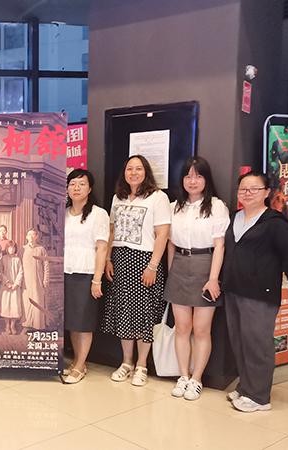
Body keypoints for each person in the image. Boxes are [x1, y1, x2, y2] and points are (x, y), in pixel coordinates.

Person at [223, 171, 288, 412]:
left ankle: (259, 397)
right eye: (243, 189)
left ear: (266, 192)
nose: (247, 193)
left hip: (260, 293)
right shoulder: (234, 217)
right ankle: (246, 387)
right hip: (233, 289)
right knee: (239, 341)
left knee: (257, 344)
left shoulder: (276, 223)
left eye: (254, 189)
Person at [103, 154, 170, 387]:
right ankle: (126, 362)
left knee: (143, 314)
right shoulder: (118, 197)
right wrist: (108, 258)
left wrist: (153, 266)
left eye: (138, 168)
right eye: (129, 169)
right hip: (120, 259)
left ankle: (142, 364)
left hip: (144, 260)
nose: (133, 173)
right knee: (124, 311)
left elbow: (162, 234)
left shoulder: (158, 197)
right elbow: (112, 231)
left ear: (146, 172)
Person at [165, 157, 229, 400]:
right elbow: (171, 244)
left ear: (206, 179)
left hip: (205, 265)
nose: (192, 181)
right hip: (180, 266)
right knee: (182, 327)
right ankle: (183, 376)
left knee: (202, 329)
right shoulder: (174, 207)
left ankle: (196, 379)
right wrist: (171, 273)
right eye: (188, 176)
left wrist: (213, 279)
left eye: (198, 176)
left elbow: (220, 245)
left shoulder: (216, 206)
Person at [63, 169, 109, 384]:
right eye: (72, 183)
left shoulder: (98, 214)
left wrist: (97, 280)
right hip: (65, 271)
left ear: (90, 189)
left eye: (81, 184)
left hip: (86, 273)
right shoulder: (63, 212)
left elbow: (102, 248)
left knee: (84, 322)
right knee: (72, 321)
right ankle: (76, 361)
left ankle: (81, 365)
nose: (76, 188)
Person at [22, 229, 50, 331]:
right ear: (26, 237)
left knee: (38, 301)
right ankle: (27, 325)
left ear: (36, 236)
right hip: (25, 281)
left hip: (38, 281)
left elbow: (46, 265)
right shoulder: (22, 249)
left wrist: (45, 280)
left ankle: (38, 326)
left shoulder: (41, 249)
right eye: (29, 234)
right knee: (27, 302)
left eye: (33, 234)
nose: (31, 236)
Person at [0, 240, 24, 335]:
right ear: (7, 249)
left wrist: (16, 284)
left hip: (15, 287)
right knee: (5, 306)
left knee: (14, 306)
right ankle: (7, 325)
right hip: (6, 286)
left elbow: (21, 272)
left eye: (13, 248)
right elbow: (0, 272)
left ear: (15, 249)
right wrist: (7, 282)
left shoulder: (18, 259)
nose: (11, 249)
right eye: (9, 248)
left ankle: (13, 325)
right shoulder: (3, 259)